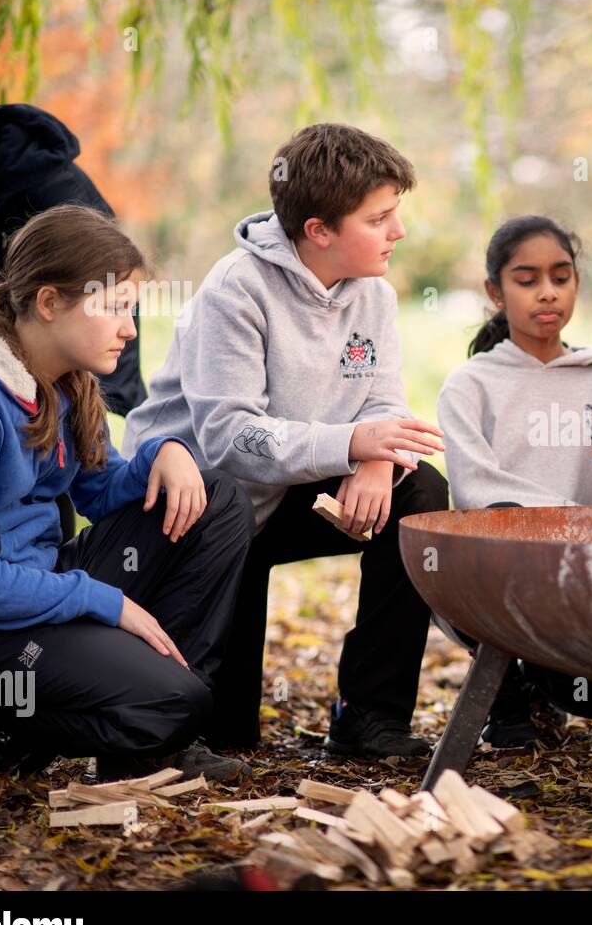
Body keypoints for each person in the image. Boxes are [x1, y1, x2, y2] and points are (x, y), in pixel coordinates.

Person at [123, 123, 449, 761]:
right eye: (379, 218)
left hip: (290, 492)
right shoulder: (234, 289)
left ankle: (369, 717)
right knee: (228, 740)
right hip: (202, 511)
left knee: (422, 495)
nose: (398, 232)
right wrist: (352, 442)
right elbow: (228, 440)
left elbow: (382, 398)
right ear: (320, 231)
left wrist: (377, 462)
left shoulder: (373, 294)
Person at [0, 205, 253, 790]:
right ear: (49, 303)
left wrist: (165, 454)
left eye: (130, 311)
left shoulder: (63, 383)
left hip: (38, 584)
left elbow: (104, 491)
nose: (129, 330)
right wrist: (101, 601)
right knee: (173, 702)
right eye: (114, 309)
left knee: (218, 497)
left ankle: (159, 739)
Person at [437, 215, 592, 748]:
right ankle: (506, 697)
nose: (547, 294)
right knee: (480, 533)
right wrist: (570, 516)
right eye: (527, 280)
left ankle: (539, 683)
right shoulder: (470, 384)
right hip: (496, 567)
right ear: (494, 292)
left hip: (584, 566)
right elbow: (475, 487)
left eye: (561, 277)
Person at [0, 103, 146, 415]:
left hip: (70, 352)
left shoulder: (45, 187)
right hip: (4, 365)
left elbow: (110, 290)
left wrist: (116, 397)